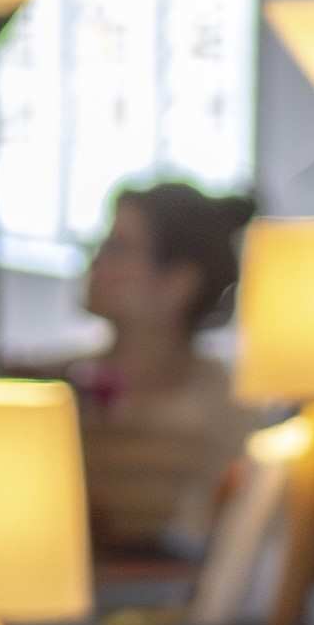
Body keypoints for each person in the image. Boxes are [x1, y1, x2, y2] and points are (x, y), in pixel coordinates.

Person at [69, 174, 250, 562]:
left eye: (118, 248)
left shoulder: (230, 408)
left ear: (178, 283)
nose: (97, 261)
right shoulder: (54, 386)